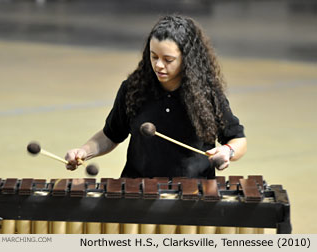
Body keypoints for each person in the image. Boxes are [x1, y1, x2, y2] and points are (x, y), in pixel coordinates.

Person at [65, 15, 247, 179]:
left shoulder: (207, 94)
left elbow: (238, 139)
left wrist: (227, 151)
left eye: (168, 60)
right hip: (139, 191)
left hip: (193, 195)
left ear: (187, 59)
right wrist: (83, 152)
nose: (159, 65)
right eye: (154, 57)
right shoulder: (134, 89)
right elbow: (110, 135)